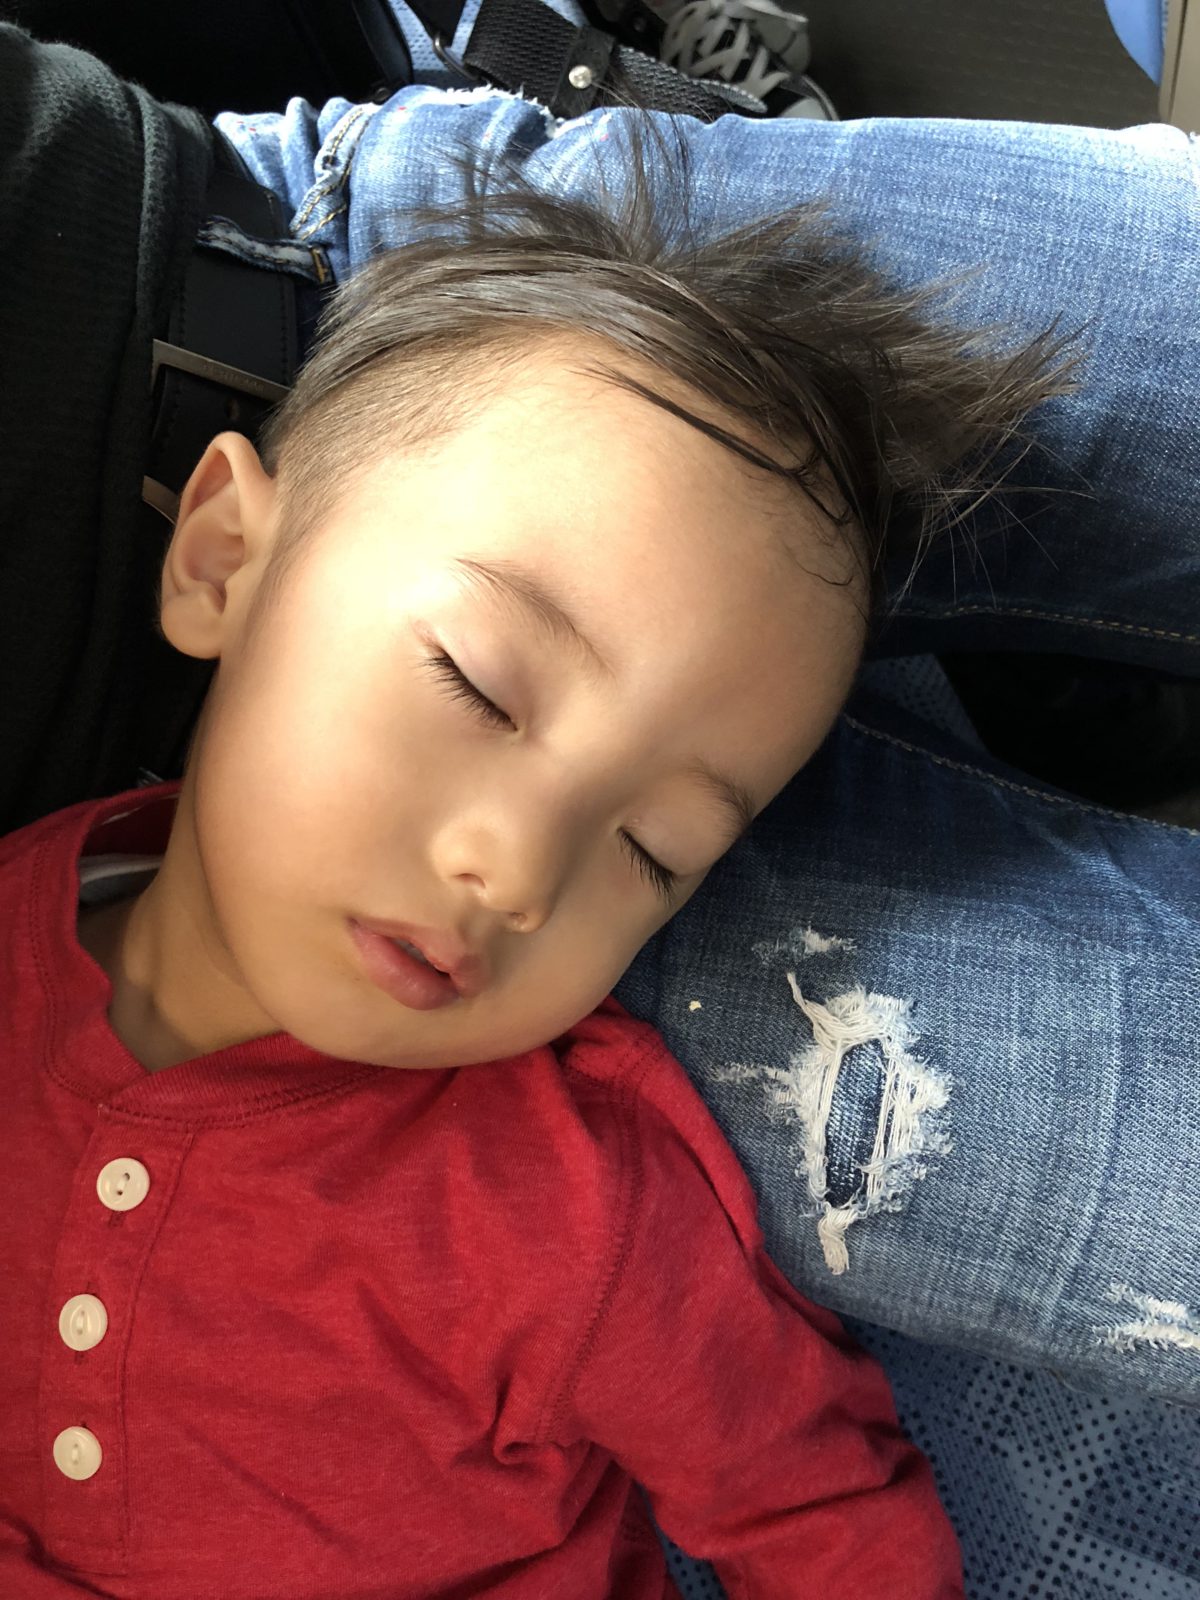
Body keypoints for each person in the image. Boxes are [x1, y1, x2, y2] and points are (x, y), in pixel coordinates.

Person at [0, 69, 1063, 1591]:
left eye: (652, 852)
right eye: (479, 686)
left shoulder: (579, 1208)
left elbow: (822, 1519)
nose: (516, 873)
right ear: (227, 558)